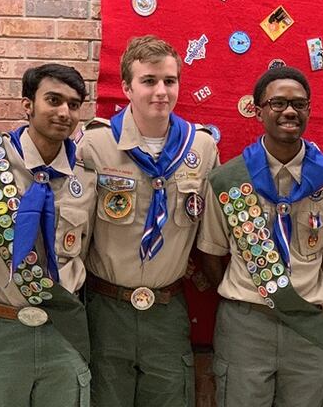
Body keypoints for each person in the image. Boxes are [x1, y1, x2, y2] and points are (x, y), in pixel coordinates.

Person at [75, 35, 219, 407]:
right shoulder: (96, 143)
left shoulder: (201, 147)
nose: (161, 91)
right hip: (107, 307)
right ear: (126, 87)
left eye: (169, 81)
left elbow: (211, 228)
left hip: (167, 309)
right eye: (149, 81)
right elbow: (75, 229)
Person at [196, 66, 323, 407]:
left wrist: (296, 296)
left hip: (306, 324)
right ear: (258, 109)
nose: (290, 111)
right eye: (278, 103)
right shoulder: (229, 179)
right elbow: (211, 253)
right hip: (245, 324)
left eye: (299, 104)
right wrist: (252, 291)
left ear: (309, 110)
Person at [0, 64, 96, 406]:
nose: (64, 112)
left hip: (63, 327)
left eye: (73, 105)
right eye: (53, 100)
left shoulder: (87, 176)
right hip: (3, 327)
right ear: (27, 104)